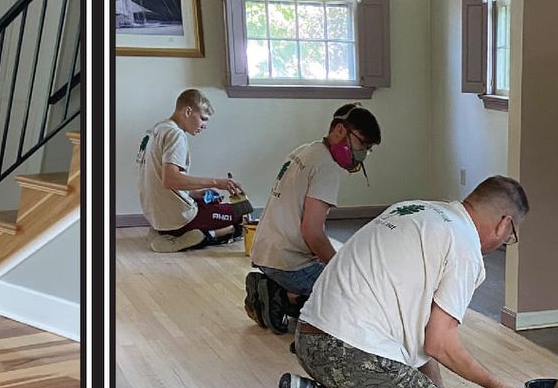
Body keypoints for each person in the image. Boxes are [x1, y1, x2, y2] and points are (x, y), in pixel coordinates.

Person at [273, 177, 529, 388]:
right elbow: (440, 343)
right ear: (503, 225)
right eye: (511, 235)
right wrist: (494, 385)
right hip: (350, 354)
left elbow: (422, 339)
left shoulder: (414, 209)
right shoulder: (464, 246)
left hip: (310, 339)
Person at [244, 103, 378, 334]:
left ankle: (282, 293)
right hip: (289, 264)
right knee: (357, 294)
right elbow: (312, 232)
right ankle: (283, 300)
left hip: (266, 252)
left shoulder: (306, 150)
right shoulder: (326, 167)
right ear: (339, 130)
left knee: (333, 260)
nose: (362, 153)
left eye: (367, 148)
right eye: (361, 143)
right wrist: (339, 269)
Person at [135, 89, 245, 253]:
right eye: (203, 118)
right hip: (177, 218)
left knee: (211, 200)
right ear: (188, 111)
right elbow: (170, 180)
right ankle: (193, 236)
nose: (204, 125)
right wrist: (217, 182)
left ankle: (163, 233)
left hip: (156, 216)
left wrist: (194, 193)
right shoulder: (176, 134)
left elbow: (160, 181)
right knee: (239, 215)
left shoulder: (157, 129)